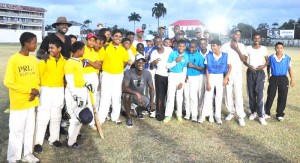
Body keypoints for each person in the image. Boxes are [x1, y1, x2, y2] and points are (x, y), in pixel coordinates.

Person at [4, 32, 40, 163]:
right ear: (26, 43)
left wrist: (36, 91)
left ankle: (27, 154)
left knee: (30, 130)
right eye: (34, 42)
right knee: (16, 131)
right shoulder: (14, 59)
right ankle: (13, 158)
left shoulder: (32, 59)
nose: (36, 45)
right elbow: (8, 82)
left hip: (32, 101)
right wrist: (29, 91)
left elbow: (37, 79)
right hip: (19, 102)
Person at [34, 39, 66, 153]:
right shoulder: (45, 60)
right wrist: (37, 91)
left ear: (59, 49)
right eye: (49, 48)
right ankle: (37, 142)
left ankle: (54, 139)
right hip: (46, 90)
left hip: (59, 90)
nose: (49, 50)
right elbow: (37, 77)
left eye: (52, 48)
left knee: (56, 116)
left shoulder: (64, 61)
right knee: (43, 116)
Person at [65, 41, 93, 148]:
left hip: (81, 90)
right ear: (78, 51)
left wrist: (86, 84)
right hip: (74, 93)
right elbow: (70, 82)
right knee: (75, 117)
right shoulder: (70, 63)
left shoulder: (78, 61)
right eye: (83, 50)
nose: (84, 51)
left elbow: (79, 78)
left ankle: (73, 136)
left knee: (81, 115)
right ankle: (71, 142)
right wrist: (76, 96)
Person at [98, 29, 129, 124]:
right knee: (105, 96)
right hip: (107, 74)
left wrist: (118, 69)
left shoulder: (123, 49)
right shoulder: (106, 47)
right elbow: (100, 60)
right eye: (116, 36)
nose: (118, 38)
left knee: (116, 96)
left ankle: (115, 117)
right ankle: (101, 118)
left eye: (120, 36)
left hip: (118, 75)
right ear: (112, 37)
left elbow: (125, 62)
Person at [199, 39, 231, 124]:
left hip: (220, 77)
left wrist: (226, 78)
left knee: (219, 97)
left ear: (219, 46)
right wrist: (208, 82)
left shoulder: (225, 55)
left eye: (214, 45)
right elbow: (207, 70)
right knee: (208, 96)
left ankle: (217, 116)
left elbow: (230, 67)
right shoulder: (208, 56)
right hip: (211, 76)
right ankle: (204, 115)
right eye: (212, 46)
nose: (212, 47)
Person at [222, 28, 247, 126]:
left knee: (238, 94)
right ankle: (231, 112)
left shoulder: (241, 46)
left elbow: (244, 59)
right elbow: (223, 61)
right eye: (236, 34)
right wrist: (225, 75)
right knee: (228, 94)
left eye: (239, 35)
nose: (238, 36)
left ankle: (240, 116)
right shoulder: (225, 46)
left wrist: (236, 49)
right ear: (232, 34)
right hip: (228, 74)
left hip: (237, 74)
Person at [122, 55, 155, 127]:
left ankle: (138, 109)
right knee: (126, 96)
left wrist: (152, 102)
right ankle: (129, 118)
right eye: (139, 62)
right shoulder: (129, 72)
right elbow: (124, 88)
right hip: (130, 95)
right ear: (135, 63)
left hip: (140, 96)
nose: (141, 65)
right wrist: (136, 93)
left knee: (152, 107)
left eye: (142, 63)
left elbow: (151, 88)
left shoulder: (147, 73)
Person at [265, 42, 295, 121]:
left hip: (283, 78)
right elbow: (268, 67)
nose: (279, 49)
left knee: (282, 96)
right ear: (275, 48)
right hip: (274, 78)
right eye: (277, 48)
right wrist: (268, 76)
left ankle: (280, 114)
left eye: (281, 48)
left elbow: (289, 69)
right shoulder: (271, 57)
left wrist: (292, 79)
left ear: (283, 48)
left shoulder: (287, 58)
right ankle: (267, 112)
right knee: (270, 95)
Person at [244, 33, 269, 125]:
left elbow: (267, 61)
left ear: (260, 39)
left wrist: (263, 66)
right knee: (251, 93)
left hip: (260, 73)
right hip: (250, 72)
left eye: (258, 38)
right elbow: (244, 60)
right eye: (255, 38)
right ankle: (253, 112)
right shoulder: (248, 48)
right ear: (252, 39)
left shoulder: (263, 48)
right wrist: (248, 65)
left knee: (260, 94)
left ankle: (261, 116)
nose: (257, 40)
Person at [164, 40, 189, 123]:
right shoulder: (173, 54)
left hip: (180, 76)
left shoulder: (186, 56)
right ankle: (168, 115)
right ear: (176, 46)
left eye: (183, 46)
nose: (181, 47)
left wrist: (182, 82)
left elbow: (185, 69)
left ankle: (179, 114)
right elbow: (167, 66)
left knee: (179, 96)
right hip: (172, 75)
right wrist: (176, 61)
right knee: (170, 95)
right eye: (179, 46)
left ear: (185, 47)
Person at [150, 36, 173, 121]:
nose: (158, 43)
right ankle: (160, 114)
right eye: (156, 42)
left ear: (162, 41)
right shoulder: (154, 53)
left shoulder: (169, 49)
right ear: (154, 43)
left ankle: (168, 113)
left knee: (169, 95)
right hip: (159, 75)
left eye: (159, 41)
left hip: (170, 75)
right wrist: (153, 62)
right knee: (160, 96)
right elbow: (151, 67)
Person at [81, 33, 101, 130]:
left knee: (93, 99)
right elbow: (81, 64)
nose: (92, 42)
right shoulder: (81, 49)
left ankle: (92, 121)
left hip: (93, 76)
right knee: (83, 98)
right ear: (86, 40)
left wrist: (88, 61)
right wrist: (93, 63)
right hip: (83, 76)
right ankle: (81, 120)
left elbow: (98, 66)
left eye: (94, 40)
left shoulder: (95, 52)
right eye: (90, 40)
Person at [183, 39, 205, 122]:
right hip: (185, 77)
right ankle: (188, 113)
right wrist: (184, 76)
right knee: (186, 96)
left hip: (195, 77)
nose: (191, 49)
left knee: (193, 96)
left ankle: (194, 115)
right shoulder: (186, 54)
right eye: (190, 47)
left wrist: (193, 66)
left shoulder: (199, 56)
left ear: (197, 47)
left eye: (193, 48)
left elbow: (202, 68)